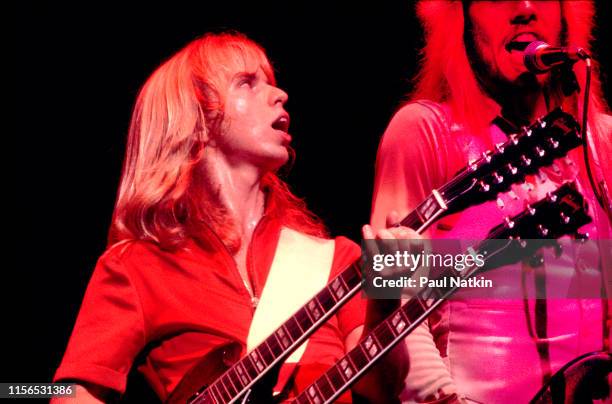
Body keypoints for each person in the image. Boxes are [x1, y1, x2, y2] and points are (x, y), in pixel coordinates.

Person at [52, 32, 412, 403]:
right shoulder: (138, 266)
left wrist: (387, 296)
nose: (279, 95)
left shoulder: (336, 259)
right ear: (197, 120)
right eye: (247, 83)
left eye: (271, 82)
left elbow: (381, 392)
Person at [371, 1, 611, 403]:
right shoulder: (424, 131)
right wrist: (438, 395)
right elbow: (390, 299)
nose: (526, 8)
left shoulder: (601, 143)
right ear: (460, 18)